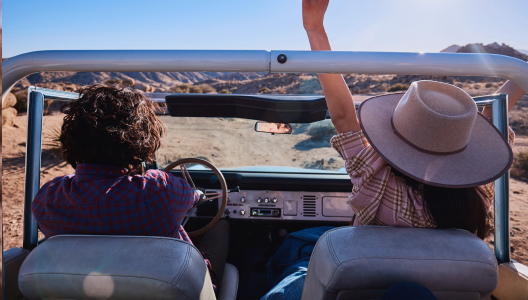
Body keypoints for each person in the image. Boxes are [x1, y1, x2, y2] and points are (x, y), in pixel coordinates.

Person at [261, 1, 527, 299]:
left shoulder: (381, 187)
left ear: (396, 138)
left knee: (298, 253)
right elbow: (486, 121)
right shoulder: (477, 194)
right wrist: (521, 74)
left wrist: (314, 27)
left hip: (360, 283)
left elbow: (344, 116)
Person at [31, 85, 229, 290]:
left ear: (71, 138)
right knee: (220, 228)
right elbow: (190, 197)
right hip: (167, 290)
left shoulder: (48, 197)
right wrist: (198, 194)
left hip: (80, 290)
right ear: (142, 141)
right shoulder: (158, 189)